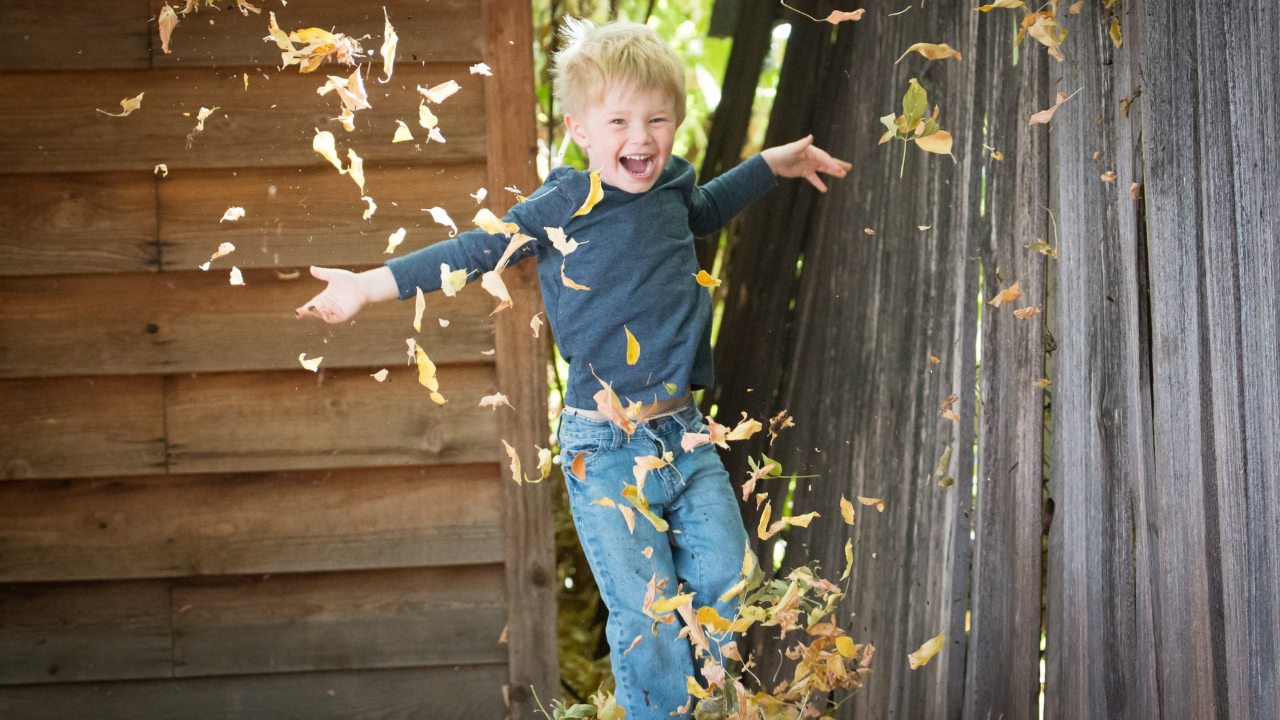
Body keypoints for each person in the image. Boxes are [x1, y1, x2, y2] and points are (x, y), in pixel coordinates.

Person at [296, 18, 850, 719]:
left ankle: (721, 705)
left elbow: (707, 209)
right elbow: (474, 251)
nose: (640, 137)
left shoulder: (675, 185)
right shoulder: (564, 204)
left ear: (676, 120)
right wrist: (367, 284)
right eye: (618, 120)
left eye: (656, 119)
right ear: (581, 130)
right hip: (607, 451)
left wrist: (771, 165)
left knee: (724, 577)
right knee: (647, 620)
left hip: (684, 433)